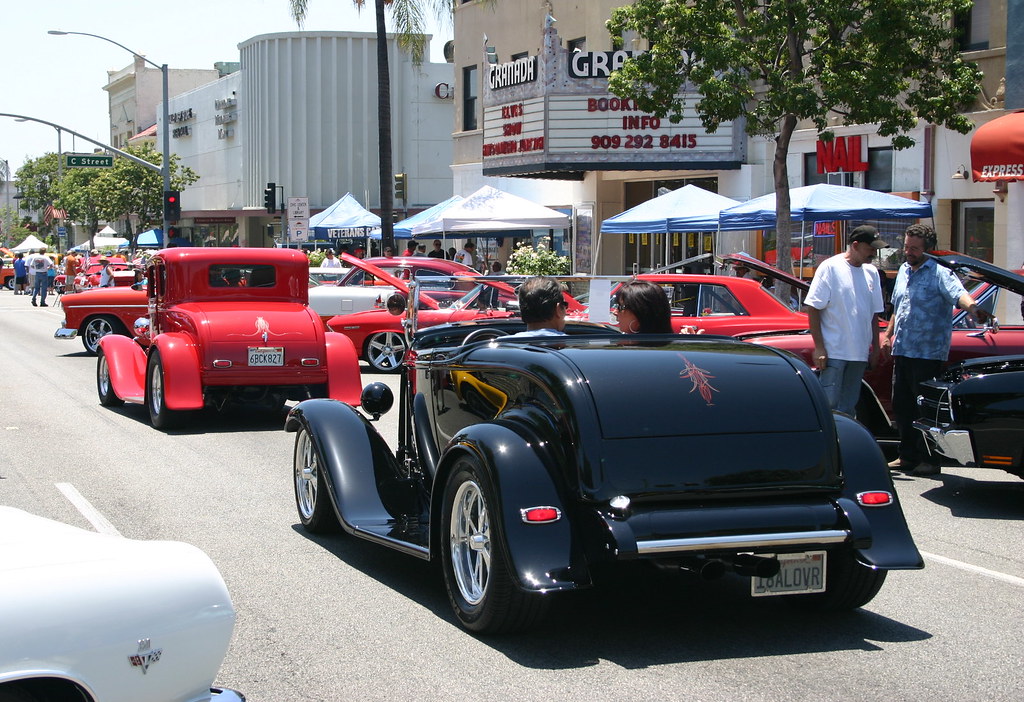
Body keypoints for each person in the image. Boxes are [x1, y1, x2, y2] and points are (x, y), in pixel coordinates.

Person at [882, 224, 991, 476]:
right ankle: (906, 455)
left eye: (914, 249)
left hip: (928, 352)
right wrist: (888, 336)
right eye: (906, 247)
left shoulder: (940, 272)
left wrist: (974, 309)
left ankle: (929, 460)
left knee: (924, 409)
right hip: (904, 349)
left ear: (928, 250)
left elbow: (959, 295)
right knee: (903, 406)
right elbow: (899, 308)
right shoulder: (903, 270)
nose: (908, 252)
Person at [804, 225, 886, 417]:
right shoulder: (831, 267)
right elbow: (813, 307)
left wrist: (875, 346)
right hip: (834, 351)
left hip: (859, 354)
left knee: (849, 407)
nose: (873, 253)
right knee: (829, 406)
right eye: (870, 248)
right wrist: (819, 347)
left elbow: (874, 314)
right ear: (855, 245)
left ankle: (845, 444)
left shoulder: (871, 272)